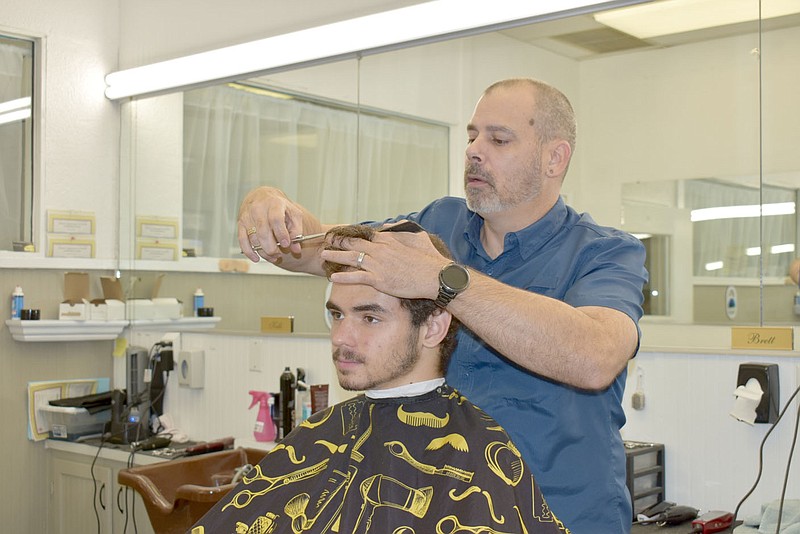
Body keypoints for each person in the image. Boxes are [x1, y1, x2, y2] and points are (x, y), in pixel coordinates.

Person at [237, 78, 648, 533]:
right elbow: (318, 248)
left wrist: (440, 278)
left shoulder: (606, 253)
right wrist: (271, 207)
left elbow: (593, 357)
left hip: (563, 517)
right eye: (472, 135)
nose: (474, 150)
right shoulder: (436, 225)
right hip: (449, 516)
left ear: (555, 157)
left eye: (498, 139)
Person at [191, 224, 570, 534]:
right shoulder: (322, 432)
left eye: (369, 318)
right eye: (337, 315)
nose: (341, 338)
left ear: (434, 327)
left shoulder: (479, 454)